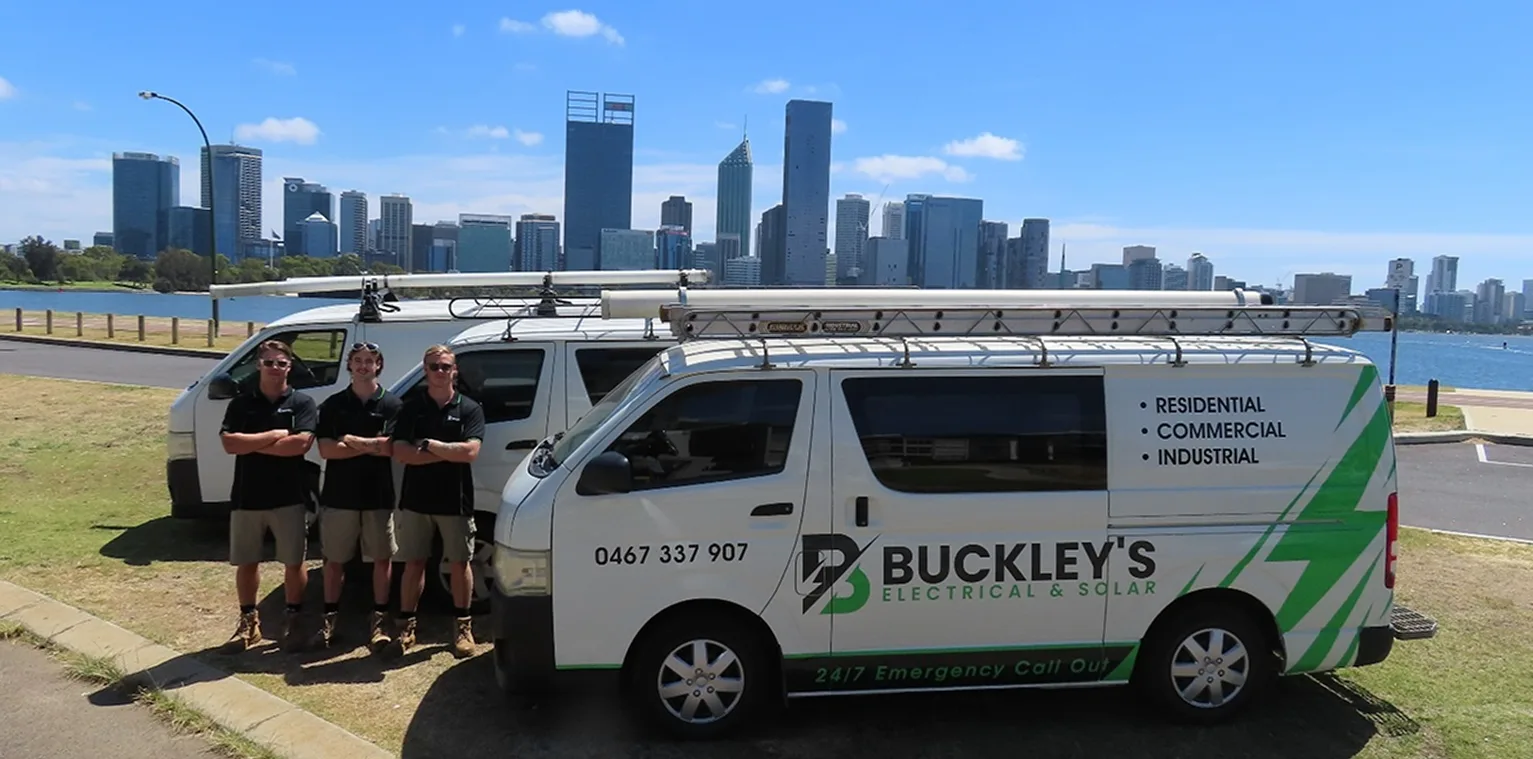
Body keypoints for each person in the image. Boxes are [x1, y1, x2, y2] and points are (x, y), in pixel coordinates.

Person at [218, 339, 319, 653]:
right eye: (269, 362)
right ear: (258, 365)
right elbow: (229, 444)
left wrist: (251, 443)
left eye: (281, 363)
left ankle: (295, 620)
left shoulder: (302, 404)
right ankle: (249, 623)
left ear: (290, 367)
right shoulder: (240, 404)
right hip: (248, 496)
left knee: (293, 561)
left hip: (289, 496)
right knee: (247, 562)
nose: (275, 368)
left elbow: (300, 445)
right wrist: (275, 436)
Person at [389, 344, 484, 658]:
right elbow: (401, 453)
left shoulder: (469, 408)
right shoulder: (412, 408)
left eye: (445, 366)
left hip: (455, 502)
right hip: (416, 501)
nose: (440, 372)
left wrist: (428, 445)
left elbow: (470, 453)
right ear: (425, 370)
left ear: (455, 370)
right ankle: (405, 627)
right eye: (434, 367)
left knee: (459, 564)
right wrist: (447, 452)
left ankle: (462, 628)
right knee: (413, 564)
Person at [312, 342, 404, 652]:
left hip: (378, 497)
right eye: (358, 360)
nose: (364, 366)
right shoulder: (333, 405)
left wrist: (349, 440)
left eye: (370, 361)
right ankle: (328, 621)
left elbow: (391, 447)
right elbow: (326, 450)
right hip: (339, 497)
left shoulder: (392, 405)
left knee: (381, 560)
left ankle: (379, 620)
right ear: (349, 365)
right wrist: (371, 444)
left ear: (379, 365)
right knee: (334, 561)